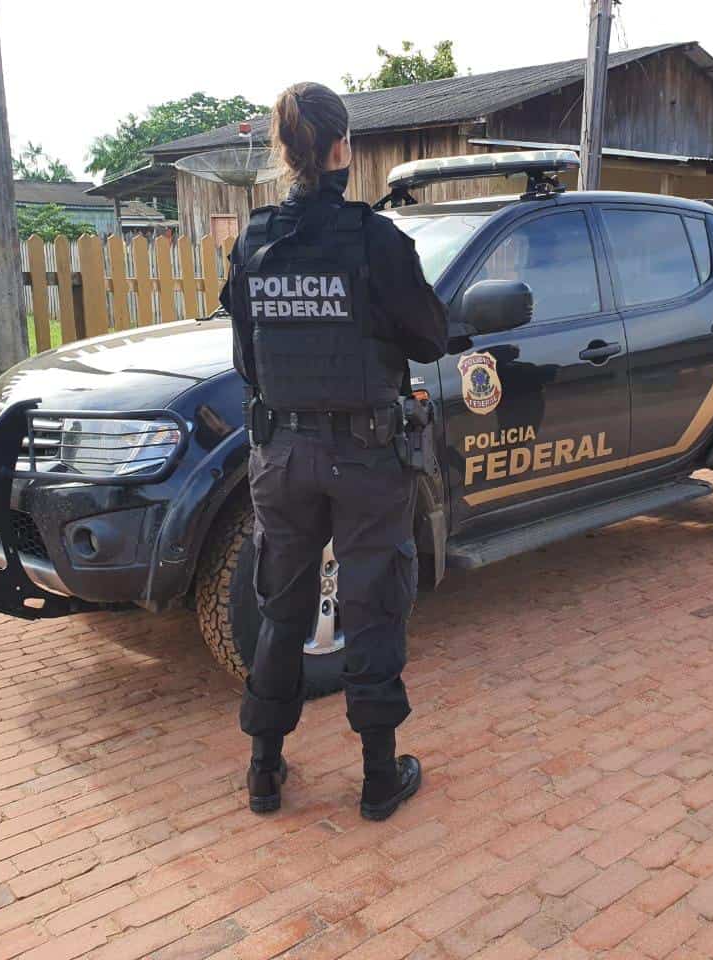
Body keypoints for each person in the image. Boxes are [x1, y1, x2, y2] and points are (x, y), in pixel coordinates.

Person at [219, 82, 447, 819]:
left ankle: (263, 771)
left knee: (282, 612)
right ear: (343, 148)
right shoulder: (376, 239)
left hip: (281, 456)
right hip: (367, 459)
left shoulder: (254, 240)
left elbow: (248, 358)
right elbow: (430, 336)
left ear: (286, 152)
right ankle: (379, 779)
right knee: (373, 606)